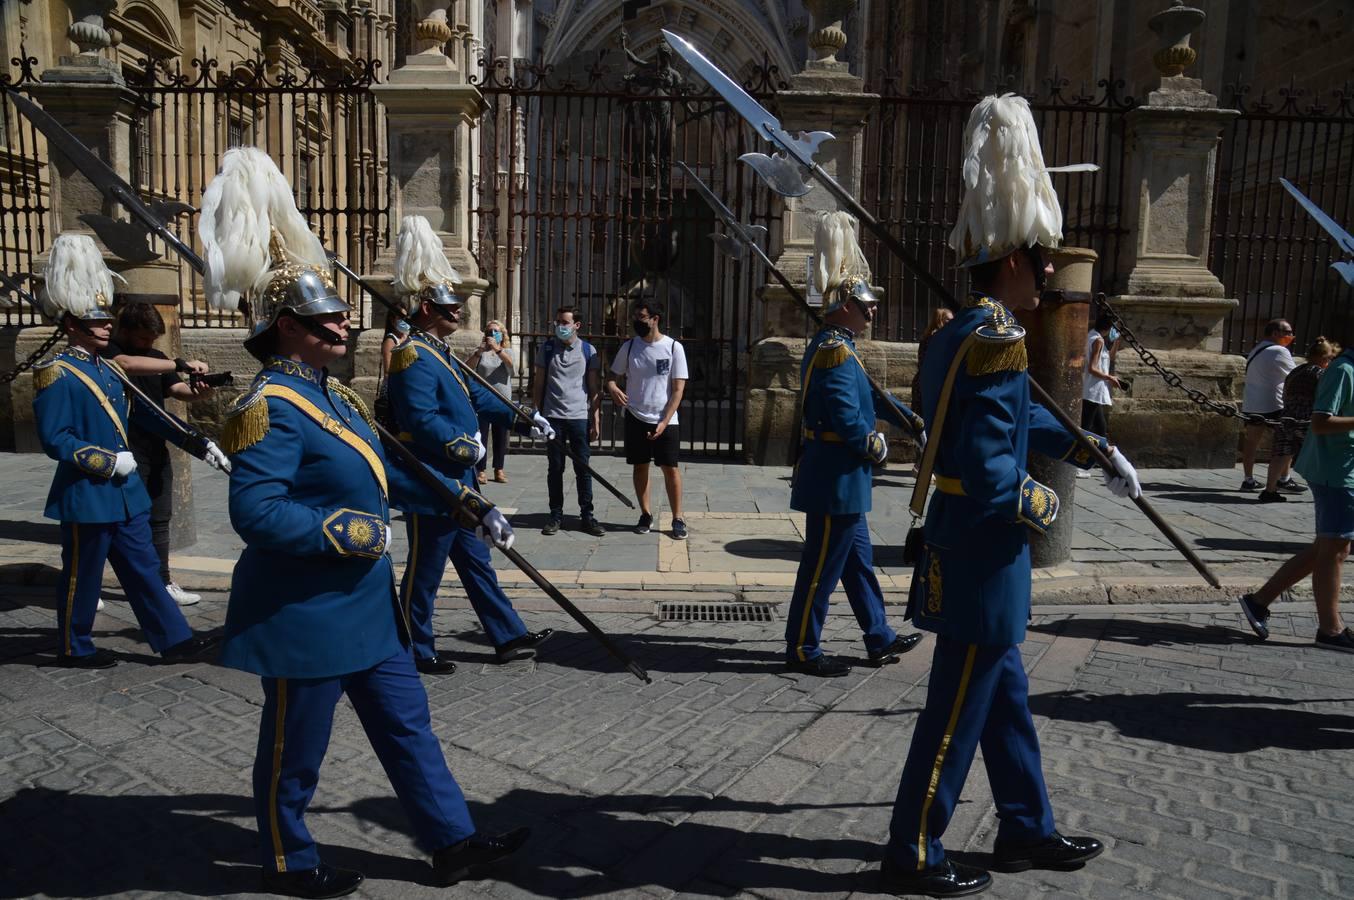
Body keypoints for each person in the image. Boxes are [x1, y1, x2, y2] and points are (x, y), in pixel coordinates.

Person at [200, 150, 529, 897]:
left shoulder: (336, 397)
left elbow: (398, 462)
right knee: (294, 753)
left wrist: (466, 503)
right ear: (288, 328)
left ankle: (454, 842)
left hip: (367, 612)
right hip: (307, 612)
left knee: (409, 729)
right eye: (327, 320)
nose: (346, 325)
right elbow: (256, 511)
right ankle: (286, 858)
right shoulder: (270, 407)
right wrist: (351, 532)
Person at [882, 94, 1141, 897]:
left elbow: (1025, 415)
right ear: (1015, 262)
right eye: (1046, 259)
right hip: (986, 554)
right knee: (956, 710)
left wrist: (1094, 449)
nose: (1054, 273)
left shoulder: (964, 334)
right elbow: (998, 473)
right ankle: (913, 851)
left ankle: (1024, 828)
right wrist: (1051, 508)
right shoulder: (994, 340)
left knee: (1004, 700)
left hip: (963, 545)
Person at [31, 233, 225, 670]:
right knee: (82, 577)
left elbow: (147, 414)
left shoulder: (106, 369)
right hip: (88, 493)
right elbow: (55, 439)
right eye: (95, 321)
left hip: (126, 492)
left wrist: (199, 443)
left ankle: (174, 639)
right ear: (71, 325)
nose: (106, 326)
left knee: (143, 569)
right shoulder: (57, 373)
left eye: (105, 320)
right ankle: (73, 646)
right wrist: (104, 460)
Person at [384, 215, 554, 675]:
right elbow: (422, 421)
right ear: (425, 310)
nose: (457, 314)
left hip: (459, 479)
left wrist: (523, 417)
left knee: (477, 560)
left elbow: (476, 394)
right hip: (434, 479)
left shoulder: (438, 351)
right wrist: (468, 449)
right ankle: (415, 647)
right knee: (425, 572)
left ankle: (508, 635)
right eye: (448, 309)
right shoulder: (411, 356)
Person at [785, 212, 927, 678]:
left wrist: (910, 420)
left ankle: (878, 636)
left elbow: (870, 398)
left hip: (842, 480)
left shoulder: (839, 346)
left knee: (858, 564)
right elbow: (848, 419)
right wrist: (877, 447)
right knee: (820, 571)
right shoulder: (833, 350)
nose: (873, 310)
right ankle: (803, 648)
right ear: (844, 303)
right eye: (865, 304)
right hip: (836, 478)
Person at [1238, 333, 1354, 651]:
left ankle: (1259, 601)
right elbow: (1320, 422)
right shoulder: (1344, 370)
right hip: (1335, 472)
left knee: (1326, 548)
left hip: (1345, 469)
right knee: (1335, 550)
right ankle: (1330, 629)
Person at [106, 301, 215, 606]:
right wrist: (179, 363)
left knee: (159, 517)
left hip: (154, 446)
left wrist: (201, 391)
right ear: (124, 330)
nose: (148, 345)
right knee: (122, 521)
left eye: (152, 339)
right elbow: (126, 364)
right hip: (122, 449)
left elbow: (177, 390)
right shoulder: (109, 350)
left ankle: (162, 581)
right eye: (142, 338)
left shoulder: (157, 357)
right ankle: (91, 581)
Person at [607, 300, 689, 539]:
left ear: (655, 319)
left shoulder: (673, 348)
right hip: (635, 415)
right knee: (640, 466)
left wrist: (664, 421)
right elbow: (612, 376)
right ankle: (645, 513)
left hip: (665, 419)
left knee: (670, 468)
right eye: (635, 316)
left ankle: (678, 517)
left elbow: (677, 389)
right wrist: (613, 388)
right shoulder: (630, 347)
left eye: (642, 317)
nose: (637, 321)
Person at [534, 305, 604, 536]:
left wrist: (595, 418)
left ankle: (587, 516)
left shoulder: (587, 350)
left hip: (578, 417)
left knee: (583, 468)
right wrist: (536, 414)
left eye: (565, 322)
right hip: (553, 417)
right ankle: (556, 515)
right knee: (555, 468)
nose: (560, 326)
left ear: (577, 325)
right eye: (558, 322)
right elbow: (539, 383)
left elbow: (593, 387)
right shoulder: (546, 349)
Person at [1260, 337, 1339, 503]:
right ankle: (1324, 492)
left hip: (1287, 415)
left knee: (1281, 453)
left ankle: (1270, 489)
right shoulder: (1322, 375)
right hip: (1307, 419)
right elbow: (1324, 399)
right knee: (1318, 456)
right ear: (1323, 358)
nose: (1330, 362)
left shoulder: (1296, 371)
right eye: (1330, 358)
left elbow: (1285, 393)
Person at [1242, 319, 1301, 493]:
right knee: (1286, 441)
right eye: (1288, 332)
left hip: (1253, 402)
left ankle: (1248, 479)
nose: (1291, 336)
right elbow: (1295, 375)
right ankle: (1284, 478)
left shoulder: (1256, 349)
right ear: (1275, 333)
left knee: (1251, 441)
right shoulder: (1279, 350)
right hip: (1274, 403)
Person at [468, 318, 517, 485]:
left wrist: (498, 350)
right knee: (481, 435)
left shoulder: (507, 352)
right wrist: (479, 351)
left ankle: (499, 468)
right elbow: (467, 369)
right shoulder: (480, 352)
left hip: (502, 400)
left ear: (502, 335)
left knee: (500, 435)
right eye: (489, 331)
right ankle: (480, 470)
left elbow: (511, 369)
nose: (492, 334)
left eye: (496, 331)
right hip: (482, 400)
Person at [911, 307, 954, 413]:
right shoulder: (938, 338)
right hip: (931, 384)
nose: (952, 322)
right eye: (948, 320)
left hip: (923, 381)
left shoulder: (928, 336)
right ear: (940, 320)